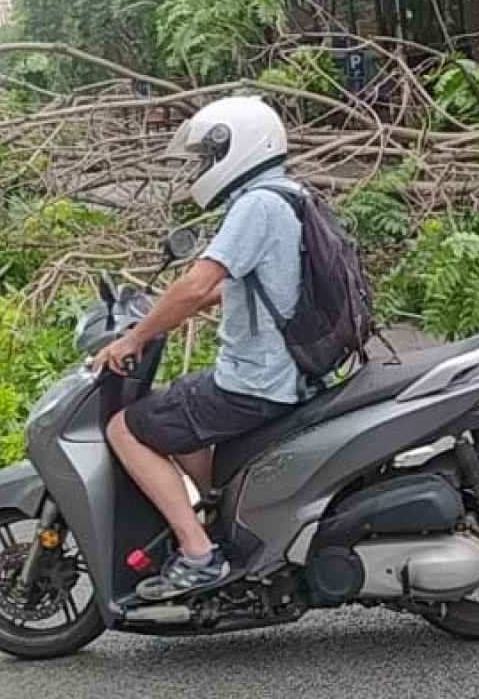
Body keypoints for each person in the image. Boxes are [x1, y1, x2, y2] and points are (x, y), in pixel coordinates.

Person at [93, 96, 305, 599]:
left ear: (238, 147)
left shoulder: (255, 205)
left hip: (257, 379)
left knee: (126, 427)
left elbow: (195, 284)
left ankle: (198, 553)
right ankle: (221, 511)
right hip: (290, 368)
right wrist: (172, 310)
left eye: (209, 156)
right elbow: (233, 285)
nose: (204, 168)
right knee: (180, 404)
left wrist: (134, 337)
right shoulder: (287, 194)